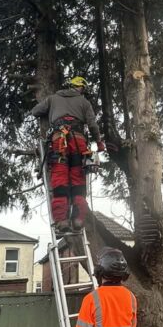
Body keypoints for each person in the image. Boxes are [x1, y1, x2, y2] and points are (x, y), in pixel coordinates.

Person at [30, 76, 104, 232]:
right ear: (81, 87)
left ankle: (62, 221)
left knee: (60, 178)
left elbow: (35, 111)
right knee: (78, 179)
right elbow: (92, 124)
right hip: (78, 142)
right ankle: (78, 219)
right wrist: (99, 142)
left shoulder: (53, 98)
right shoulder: (84, 102)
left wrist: (50, 112)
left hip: (59, 140)